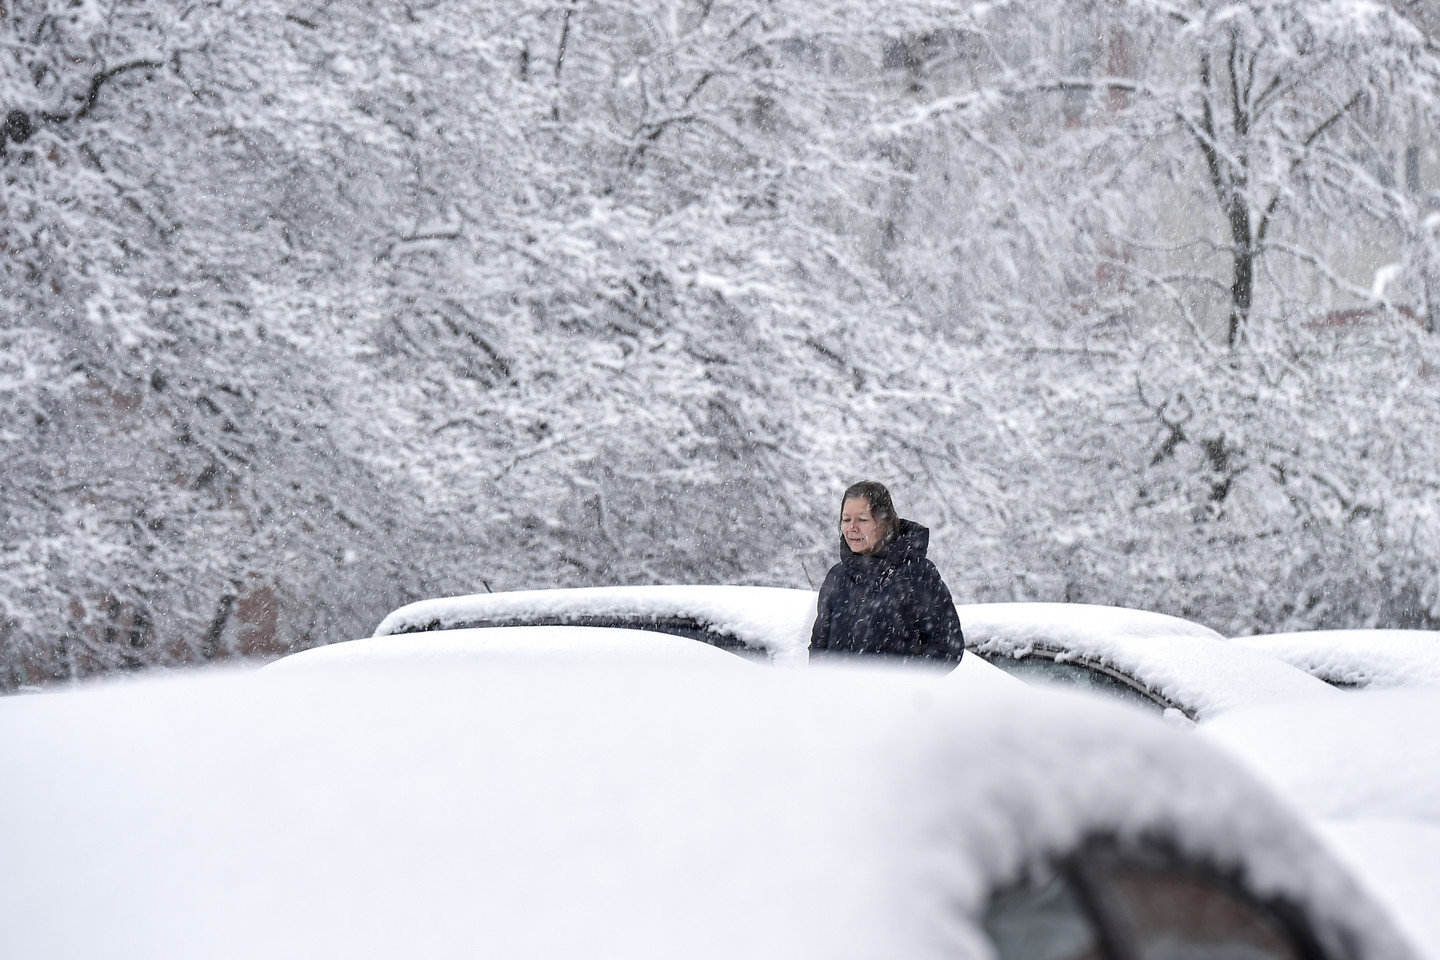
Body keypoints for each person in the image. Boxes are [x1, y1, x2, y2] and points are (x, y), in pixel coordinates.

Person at [809, 480, 965, 666]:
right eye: (846, 519)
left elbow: (948, 647)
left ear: (884, 524)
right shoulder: (837, 577)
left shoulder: (917, 574)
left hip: (897, 694)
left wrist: (903, 683)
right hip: (842, 694)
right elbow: (818, 647)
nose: (852, 527)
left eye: (862, 519)